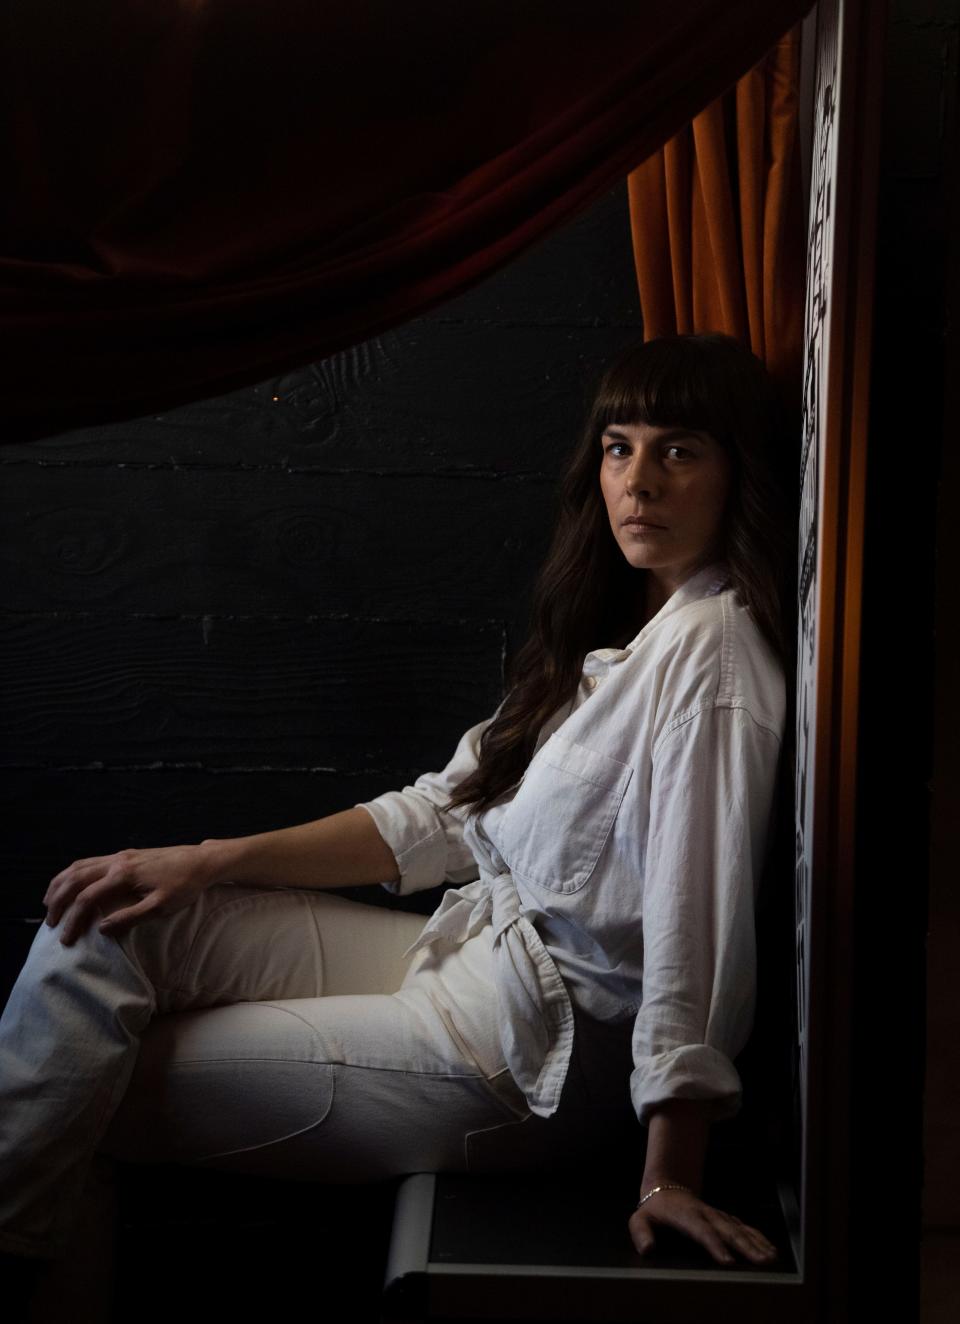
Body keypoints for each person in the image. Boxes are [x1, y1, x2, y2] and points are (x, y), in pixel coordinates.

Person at [0, 332, 793, 1305]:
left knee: (77, 1083)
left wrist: (673, 1165)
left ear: (735, 471)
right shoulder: (617, 642)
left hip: (528, 1053)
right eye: (620, 446)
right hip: (470, 961)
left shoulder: (712, 657)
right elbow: (438, 814)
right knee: (110, 920)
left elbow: (695, 927)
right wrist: (206, 860)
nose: (640, 481)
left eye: (680, 450)